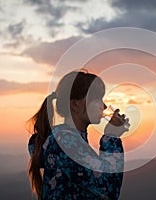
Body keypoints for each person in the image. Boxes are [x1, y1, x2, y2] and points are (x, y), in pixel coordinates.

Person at [27, 70, 129, 200]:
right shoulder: (66, 142)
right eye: (96, 99)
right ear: (75, 104)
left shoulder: (68, 139)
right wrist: (112, 137)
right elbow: (107, 190)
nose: (103, 106)